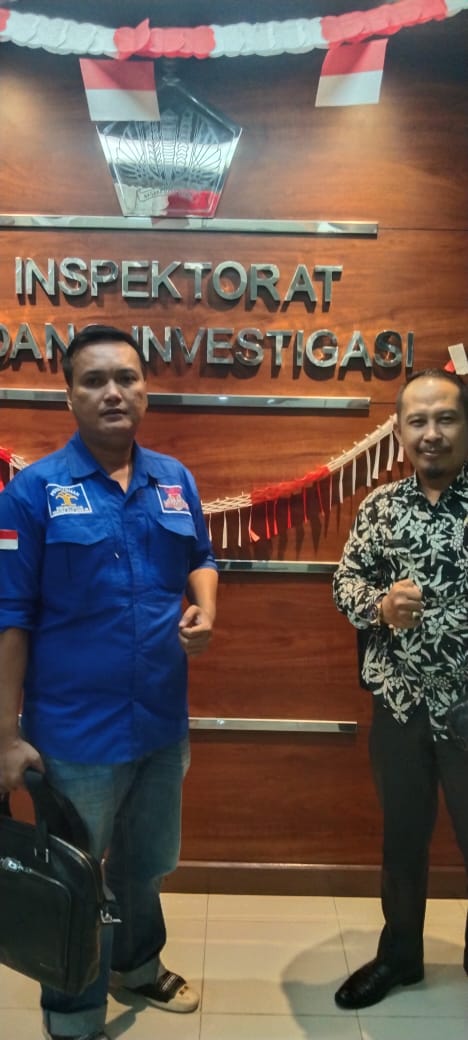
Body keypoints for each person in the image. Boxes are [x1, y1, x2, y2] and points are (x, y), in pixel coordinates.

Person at [0, 325, 218, 1040]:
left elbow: (202, 556)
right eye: (94, 381)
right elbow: (10, 620)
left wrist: (205, 607)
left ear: (146, 390)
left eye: (126, 377)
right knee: (75, 876)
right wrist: (4, 737)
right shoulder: (32, 494)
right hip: (75, 734)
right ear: (69, 396)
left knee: (146, 865)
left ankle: (139, 964)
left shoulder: (174, 480)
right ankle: (74, 1014)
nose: (113, 392)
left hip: (160, 722)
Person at [333, 368, 468, 1010]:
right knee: (404, 840)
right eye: (418, 421)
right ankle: (400, 957)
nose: (431, 433)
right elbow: (345, 583)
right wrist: (380, 607)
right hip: (401, 705)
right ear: (401, 432)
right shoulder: (381, 506)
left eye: (446, 418)